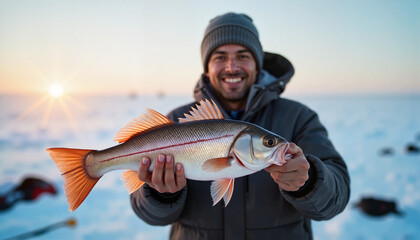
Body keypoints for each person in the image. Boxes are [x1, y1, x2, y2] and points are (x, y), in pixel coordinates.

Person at [130, 12, 350, 240]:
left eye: (243, 56)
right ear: (207, 68)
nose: (232, 66)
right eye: (220, 57)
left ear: (257, 64)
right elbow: (148, 214)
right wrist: (160, 195)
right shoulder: (177, 119)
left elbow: (337, 199)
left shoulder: (298, 117)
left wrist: (310, 180)